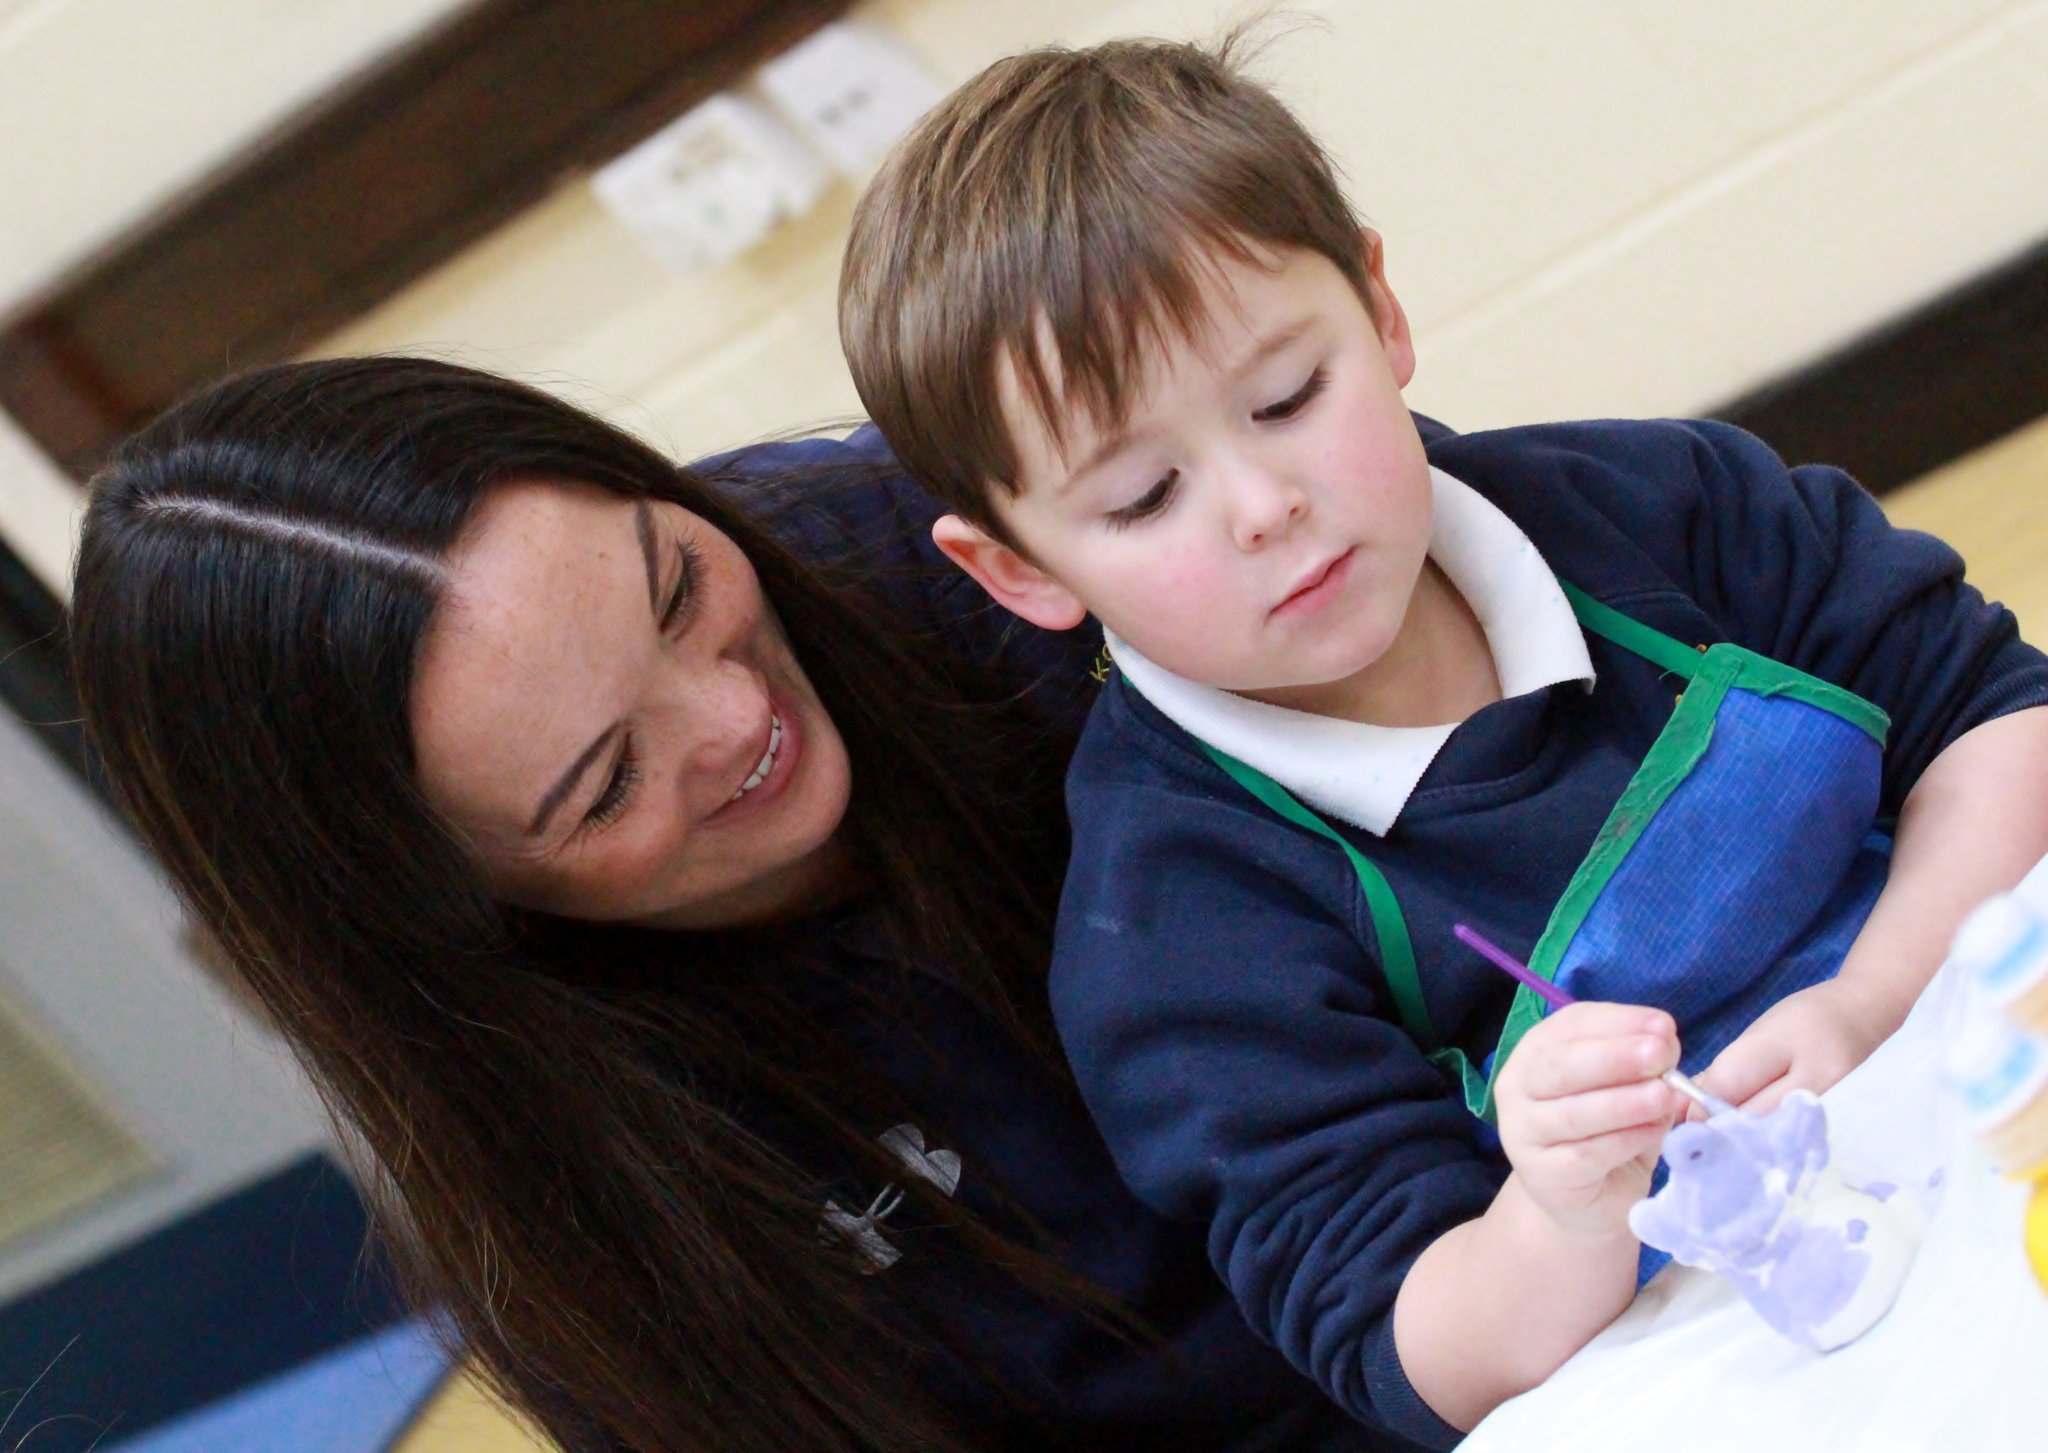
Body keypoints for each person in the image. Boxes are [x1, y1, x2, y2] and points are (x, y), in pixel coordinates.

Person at [837, 33, 2048, 1447]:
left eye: (1289, 398)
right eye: (1143, 494)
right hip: (1756, 1353)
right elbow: (1419, 1349)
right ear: (1021, 574)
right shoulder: (1168, 935)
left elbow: (2000, 717)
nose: (1260, 504)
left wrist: (1871, 996)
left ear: (1382, 310)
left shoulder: (1663, 501)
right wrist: (1555, 1204)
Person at [69, 356, 1408, 1453]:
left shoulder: (982, 553)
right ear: (446, 908)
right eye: (604, 785)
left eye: (675, 590)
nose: (733, 717)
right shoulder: (570, 1219)